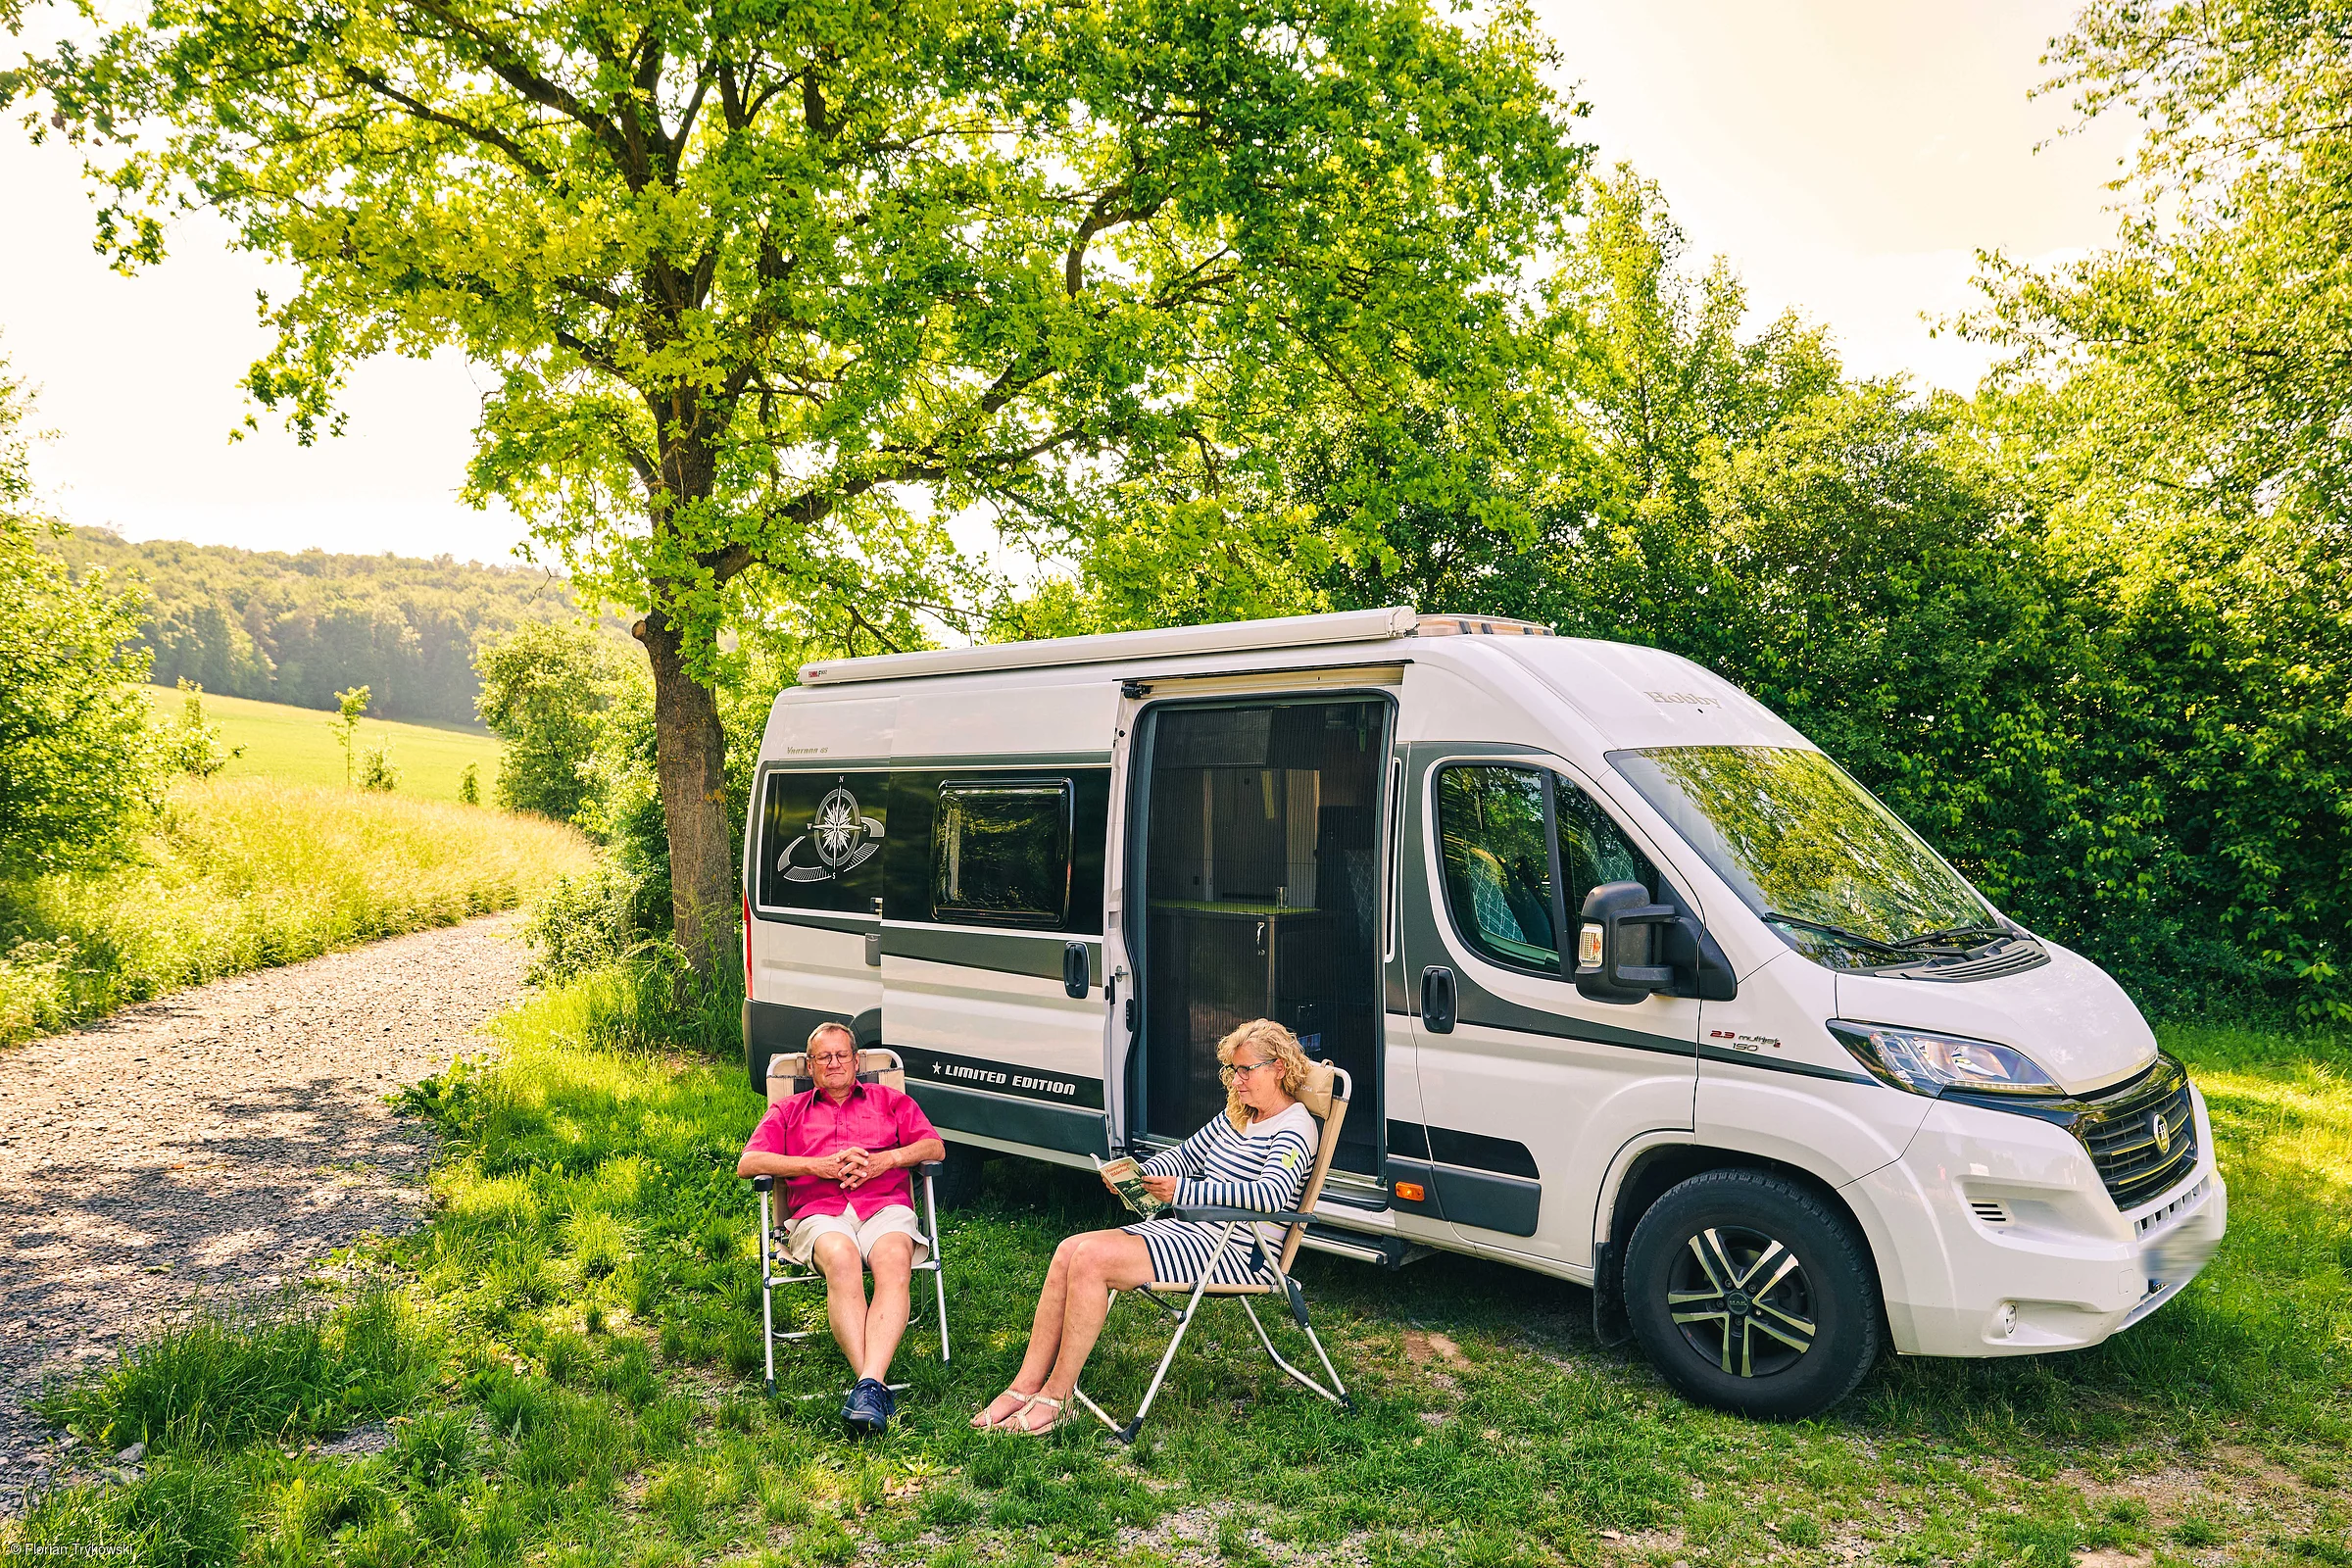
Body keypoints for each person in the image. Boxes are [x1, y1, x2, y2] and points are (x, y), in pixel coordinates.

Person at [971, 1018, 1318, 1435]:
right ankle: (1025, 1385)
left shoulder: (1295, 1127)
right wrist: (1140, 1174)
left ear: (1278, 1068)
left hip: (1238, 1252)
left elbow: (1271, 1195)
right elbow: (1186, 1156)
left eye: (1246, 1070)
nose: (1237, 1081)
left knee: (1092, 1261)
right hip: (1196, 1232)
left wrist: (1183, 1190)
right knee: (1068, 1250)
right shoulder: (1239, 1116)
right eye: (1233, 1070)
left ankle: (1058, 1398)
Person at [737, 1022, 946, 1437]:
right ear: (809, 1066)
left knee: (894, 1259)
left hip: (884, 1207)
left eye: (841, 1055)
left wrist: (886, 1160)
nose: (834, 1063)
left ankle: (867, 1386)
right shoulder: (787, 1111)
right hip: (820, 1214)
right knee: (842, 1258)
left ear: (856, 1061)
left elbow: (934, 1147)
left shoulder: (891, 1101)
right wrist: (817, 1166)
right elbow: (749, 1163)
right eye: (823, 1057)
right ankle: (873, 1386)